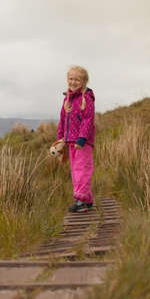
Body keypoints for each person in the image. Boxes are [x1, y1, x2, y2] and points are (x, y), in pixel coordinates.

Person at [57, 65, 95, 213]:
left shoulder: (87, 99)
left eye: (77, 80)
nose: (73, 82)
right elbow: (62, 119)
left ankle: (82, 201)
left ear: (84, 81)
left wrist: (82, 138)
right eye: (71, 79)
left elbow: (88, 120)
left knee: (82, 170)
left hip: (82, 143)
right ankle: (87, 198)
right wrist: (60, 138)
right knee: (75, 171)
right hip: (70, 141)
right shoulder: (67, 99)